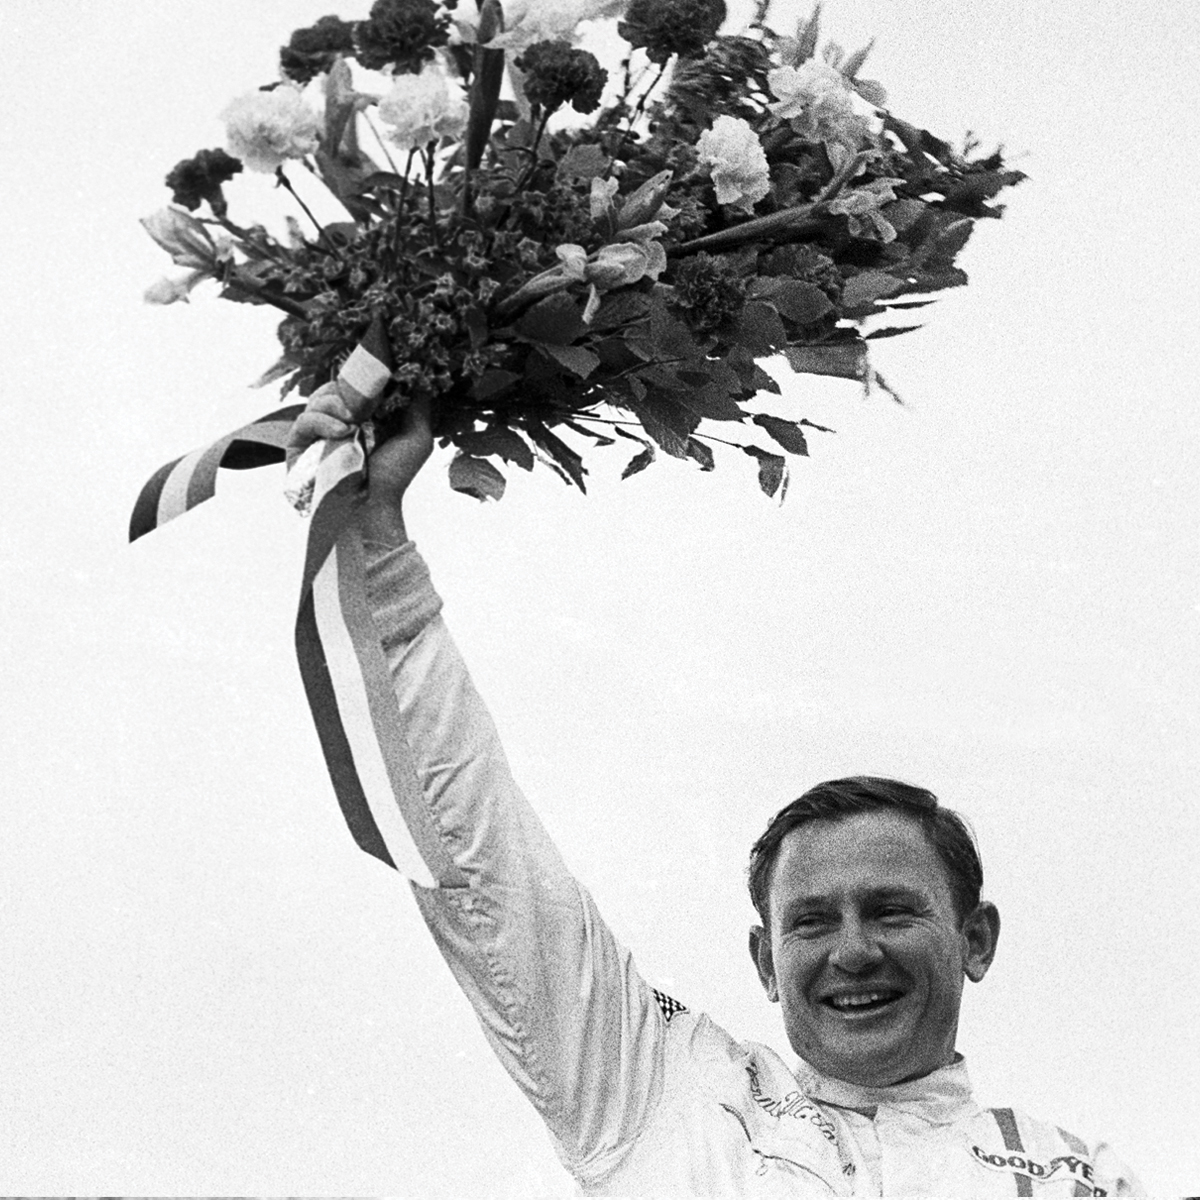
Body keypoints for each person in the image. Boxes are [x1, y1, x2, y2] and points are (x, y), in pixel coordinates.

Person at [288, 392, 1145, 1196]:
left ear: (976, 939)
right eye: (811, 922)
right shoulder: (670, 1097)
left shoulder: (1082, 1178)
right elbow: (489, 872)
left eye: (891, 911)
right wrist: (374, 541)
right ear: (766, 962)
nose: (853, 952)